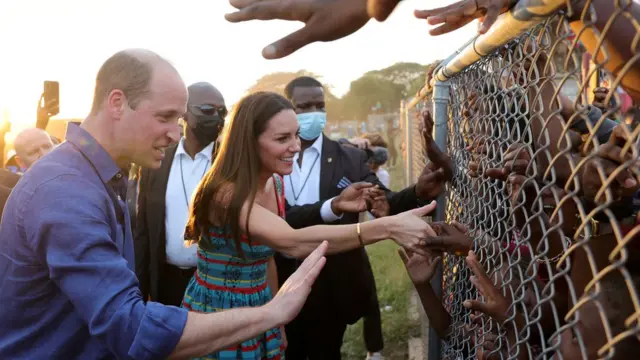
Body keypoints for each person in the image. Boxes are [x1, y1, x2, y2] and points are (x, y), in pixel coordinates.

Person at [0, 48, 329, 359]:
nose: (176, 134)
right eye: (165, 117)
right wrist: (272, 313)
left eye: (180, 120)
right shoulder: (66, 192)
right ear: (117, 103)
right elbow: (132, 329)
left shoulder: (95, 175)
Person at [183, 91, 439, 359]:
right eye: (283, 138)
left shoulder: (275, 182)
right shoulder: (224, 195)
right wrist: (387, 228)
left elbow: (267, 260)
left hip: (261, 307)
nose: (296, 146)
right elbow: (292, 242)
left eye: (295, 135)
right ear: (248, 142)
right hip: (220, 313)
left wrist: (274, 319)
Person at [276, 76, 452, 359]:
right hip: (279, 276)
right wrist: (333, 206)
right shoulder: (271, 156)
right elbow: (278, 217)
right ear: (288, 109)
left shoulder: (348, 158)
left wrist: (417, 191)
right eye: (304, 106)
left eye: (319, 105)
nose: (314, 113)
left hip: (331, 280)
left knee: (327, 351)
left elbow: (383, 202)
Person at [135, 81, 227, 306]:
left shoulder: (230, 164)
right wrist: (140, 289)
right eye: (207, 110)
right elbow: (144, 231)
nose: (216, 117)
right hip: (166, 284)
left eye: (222, 112)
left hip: (216, 283)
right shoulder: (155, 161)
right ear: (184, 113)